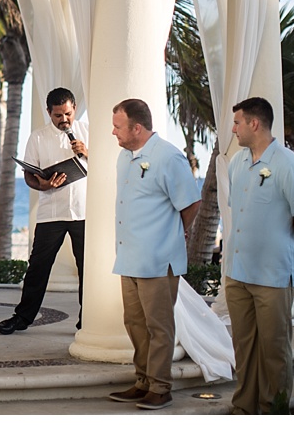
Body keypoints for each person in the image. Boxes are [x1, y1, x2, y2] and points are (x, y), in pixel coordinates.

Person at [223, 97, 294, 414]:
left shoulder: (289, 165)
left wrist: (288, 246)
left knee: (274, 350)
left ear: (254, 123)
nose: (233, 129)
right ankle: (244, 408)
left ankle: (274, 412)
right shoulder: (236, 163)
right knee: (244, 346)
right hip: (237, 274)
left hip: (273, 275)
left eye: (237, 122)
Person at [108, 99, 201, 410]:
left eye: (118, 126)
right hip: (130, 257)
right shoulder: (124, 157)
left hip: (159, 260)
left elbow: (190, 204)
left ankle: (161, 387)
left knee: (159, 326)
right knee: (134, 323)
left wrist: (173, 235)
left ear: (137, 128)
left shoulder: (168, 157)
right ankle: (143, 380)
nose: (113, 132)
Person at [0, 87, 88, 335]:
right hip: (51, 212)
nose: (64, 119)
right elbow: (29, 175)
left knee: (87, 268)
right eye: (58, 115)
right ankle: (22, 317)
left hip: (84, 212)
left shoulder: (89, 132)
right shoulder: (37, 137)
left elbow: (109, 167)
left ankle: (87, 321)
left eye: (67, 113)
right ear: (49, 112)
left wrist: (88, 153)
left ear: (74, 108)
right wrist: (43, 184)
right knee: (38, 267)